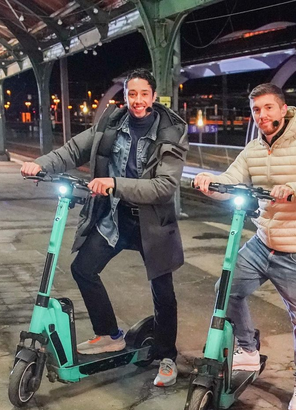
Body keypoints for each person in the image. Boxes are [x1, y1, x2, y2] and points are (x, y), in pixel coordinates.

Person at [21, 68, 189, 387]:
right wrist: (41, 165)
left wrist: (115, 183)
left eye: (143, 94)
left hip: (152, 224)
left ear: (153, 96)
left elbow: (164, 187)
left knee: (162, 291)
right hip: (115, 217)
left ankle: (167, 355)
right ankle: (110, 334)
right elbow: (73, 150)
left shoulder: (171, 132)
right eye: (131, 94)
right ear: (125, 97)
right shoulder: (111, 124)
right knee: (83, 268)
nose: (137, 101)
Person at [193, 83, 296, 410]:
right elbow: (232, 179)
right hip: (263, 242)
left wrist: (295, 190)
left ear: (283, 108)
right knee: (226, 289)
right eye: (256, 110)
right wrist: (210, 182)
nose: (262, 116)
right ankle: (247, 349)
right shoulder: (253, 150)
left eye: (268, 108)